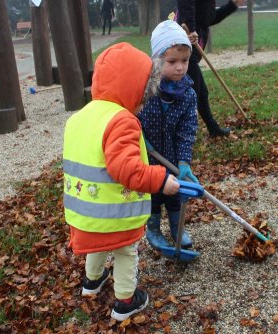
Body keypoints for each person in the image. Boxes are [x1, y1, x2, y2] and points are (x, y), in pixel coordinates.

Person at [62, 42, 180, 321]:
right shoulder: (121, 120)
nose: (142, 102)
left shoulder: (80, 118)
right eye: (142, 93)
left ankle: (92, 282)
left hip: (84, 214)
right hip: (115, 212)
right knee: (126, 251)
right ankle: (125, 301)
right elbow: (127, 169)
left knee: (100, 244)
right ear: (133, 87)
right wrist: (162, 179)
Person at [138, 20, 199, 250]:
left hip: (172, 157)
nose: (180, 67)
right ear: (156, 60)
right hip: (147, 157)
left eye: (184, 61)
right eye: (172, 61)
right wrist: (136, 135)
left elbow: (187, 131)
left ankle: (177, 228)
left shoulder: (188, 95)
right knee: (152, 195)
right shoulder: (145, 90)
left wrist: (184, 162)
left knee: (174, 194)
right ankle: (153, 229)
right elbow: (131, 114)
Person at [176, 0, 244, 137]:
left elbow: (208, 19)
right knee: (193, 94)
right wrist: (191, 29)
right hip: (184, 43)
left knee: (200, 93)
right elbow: (185, 5)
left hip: (193, 46)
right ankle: (179, 134)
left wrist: (232, 5)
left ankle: (212, 128)